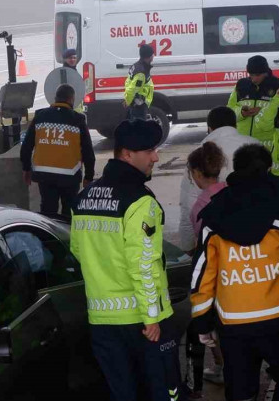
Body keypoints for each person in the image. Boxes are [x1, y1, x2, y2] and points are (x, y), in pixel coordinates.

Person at [191, 144, 279, 401]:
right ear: (268, 169)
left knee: (239, 388)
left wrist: (202, 320)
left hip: (233, 322)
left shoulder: (214, 215)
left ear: (235, 170)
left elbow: (203, 274)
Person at [70, 119, 181, 401]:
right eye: (149, 151)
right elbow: (142, 264)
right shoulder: (140, 202)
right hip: (143, 324)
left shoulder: (83, 198)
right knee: (163, 392)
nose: (155, 157)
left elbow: (78, 251)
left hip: (102, 319)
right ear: (127, 154)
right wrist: (151, 318)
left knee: (122, 394)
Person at [178, 106, 261, 251]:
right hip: (259, 233)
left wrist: (188, 247)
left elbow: (189, 203)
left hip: (219, 241)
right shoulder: (256, 145)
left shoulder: (201, 153)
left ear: (209, 128)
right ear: (235, 125)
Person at [183, 141, 227, 398]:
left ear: (197, 174)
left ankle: (221, 365)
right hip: (238, 268)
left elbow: (200, 244)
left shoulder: (199, 206)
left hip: (213, 271)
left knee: (213, 324)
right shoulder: (231, 191)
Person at [20, 84, 95, 217]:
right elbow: (88, 152)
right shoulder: (78, 120)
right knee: (69, 212)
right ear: (71, 99)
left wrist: (26, 168)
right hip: (70, 175)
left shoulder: (40, 117)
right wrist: (89, 177)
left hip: (44, 175)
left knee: (48, 212)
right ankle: (66, 236)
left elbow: (26, 146)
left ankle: (48, 236)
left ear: (55, 98)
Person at [226, 55, 279, 150]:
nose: (254, 79)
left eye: (258, 75)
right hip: (242, 145)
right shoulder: (241, 85)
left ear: (266, 72)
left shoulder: (278, 86)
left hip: (267, 147)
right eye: (251, 75)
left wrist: (263, 111)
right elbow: (229, 113)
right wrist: (241, 112)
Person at [125, 44, 155, 120]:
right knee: (139, 129)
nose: (153, 56)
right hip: (138, 106)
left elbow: (128, 83)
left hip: (138, 104)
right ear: (149, 56)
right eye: (152, 54)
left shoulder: (136, 66)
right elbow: (132, 89)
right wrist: (128, 101)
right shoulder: (141, 72)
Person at [61, 48, 85, 114]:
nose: (73, 60)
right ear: (65, 59)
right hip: (69, 108)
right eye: (70, 58)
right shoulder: (64, 73)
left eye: (74, 58)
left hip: (77, 108)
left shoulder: (74, 71)